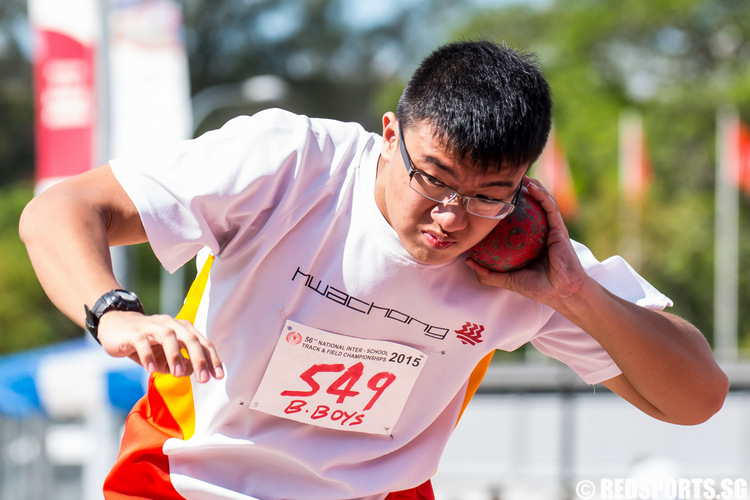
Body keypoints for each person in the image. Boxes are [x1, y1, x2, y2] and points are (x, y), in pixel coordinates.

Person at [19, 40, 727, 500]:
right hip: (190, 479)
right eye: (434, 180)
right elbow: (62, 210)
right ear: (390, 136)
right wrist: (113, 310)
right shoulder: (291, 164)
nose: (451, 219)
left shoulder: (527, 255)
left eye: (486, 196)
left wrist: (573, 294)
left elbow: (695, 397)